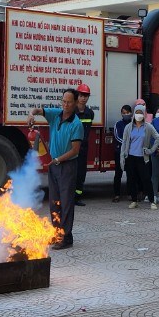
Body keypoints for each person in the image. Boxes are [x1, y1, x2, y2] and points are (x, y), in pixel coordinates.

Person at [34, 88, 85, 247]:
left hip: (67, 166)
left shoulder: (76, 124)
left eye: (69, 102)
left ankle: (66, 237)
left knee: (66, 202)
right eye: (63, 101)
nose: (65, 105)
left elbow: (75, 150)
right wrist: (31, 115)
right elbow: (38, 110)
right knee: (54, 202)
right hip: (54, 165)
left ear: (75, 103)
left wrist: (57, 159)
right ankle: (56, 234)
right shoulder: (56, 115)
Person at [121, 105, 159, 209]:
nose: (139, 115)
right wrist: (122, 157)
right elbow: (124, 142)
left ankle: (152, 201)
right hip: (130, 157)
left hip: (143, 158)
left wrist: (151, 150)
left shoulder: (148, 127)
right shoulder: (128, 127)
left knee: (146, 179)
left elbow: (158, 138)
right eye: (137, 112)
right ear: (134, 113)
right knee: (131, 179)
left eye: (141, 113)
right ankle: (134, 200)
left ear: (144, 114)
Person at [73, 83, 95, 206]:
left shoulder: (90, 113)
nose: (83, 98)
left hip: (83, 148)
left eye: (86, 96)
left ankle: (77, 197)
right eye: (81, 95)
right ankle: (68, 197)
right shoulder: (71, 112)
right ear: (77, 96)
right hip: (72, 147)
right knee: (70, 172)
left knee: (81, 173)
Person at [111, 104, 133, 201]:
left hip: (131, 153)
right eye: (124, 113)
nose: (125, 114)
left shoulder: (134, 124)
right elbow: (117, 136)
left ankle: (130, 194)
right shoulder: (118, 124)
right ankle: (117, 194)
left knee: (130, 174)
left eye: (127, 113)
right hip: (119, 152)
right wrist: (127, 144)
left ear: (131, 113)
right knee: (118, 174)